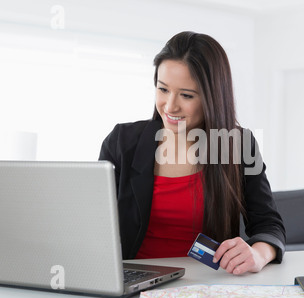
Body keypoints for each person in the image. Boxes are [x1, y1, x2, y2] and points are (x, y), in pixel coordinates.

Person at [99, 31, 285, 275]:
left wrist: (259, 253)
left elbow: (269, 224)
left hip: (207, 283)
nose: (170, 105)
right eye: (163, 89)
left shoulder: (238, 145)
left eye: (186, 95)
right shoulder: (122, 142)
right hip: (134, 281)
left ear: (213, 97)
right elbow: (95, 224)